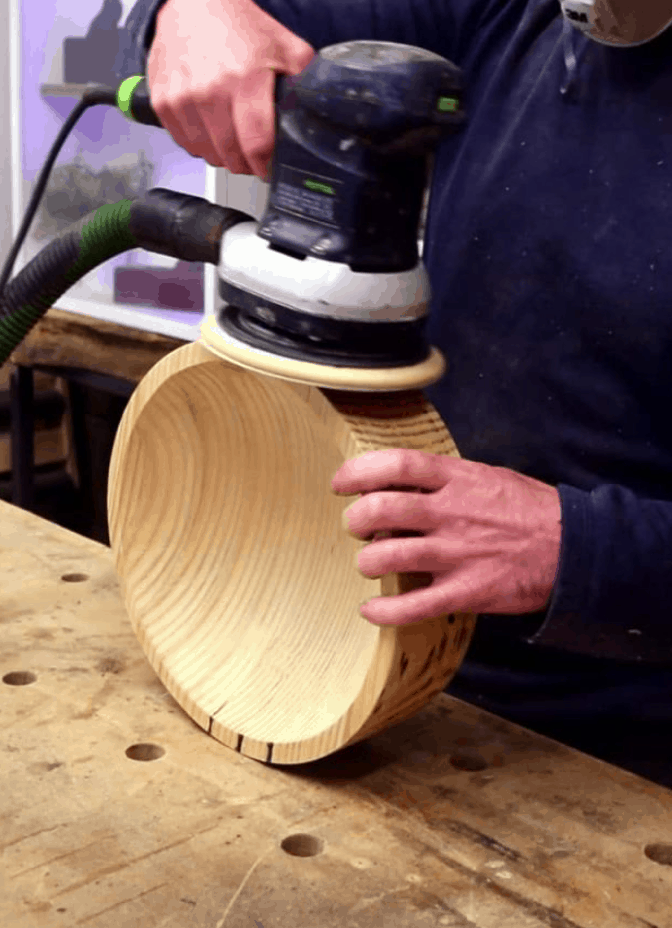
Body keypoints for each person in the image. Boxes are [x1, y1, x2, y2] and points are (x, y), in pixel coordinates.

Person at [117, 0, 672, 785]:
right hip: (384, 680)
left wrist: (574, 549)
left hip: (623, 759)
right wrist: (189, 12)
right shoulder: (514, 15)